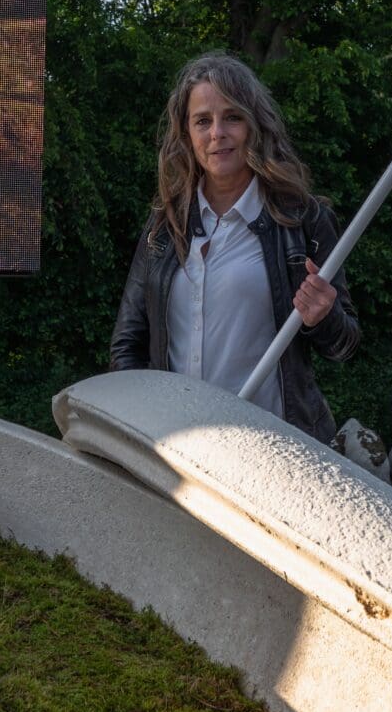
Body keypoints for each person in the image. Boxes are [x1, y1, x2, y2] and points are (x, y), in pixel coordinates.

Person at [111, 54, 361, 443]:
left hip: (272, 446)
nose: (217, 133)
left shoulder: (302, 219)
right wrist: (141, 429)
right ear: (186, 134)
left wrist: (322, 315)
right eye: (202, 121)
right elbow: (127, 346)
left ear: (254, 126)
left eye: (232, 117)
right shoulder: (163, 225)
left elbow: (344, 346)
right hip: (179, 445)